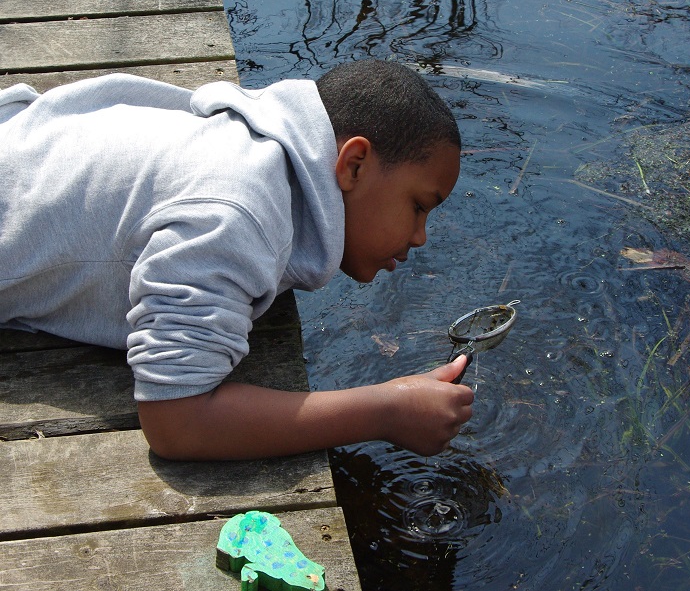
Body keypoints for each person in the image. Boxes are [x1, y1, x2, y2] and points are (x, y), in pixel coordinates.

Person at [0, 59, 473, 461]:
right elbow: (176, 421)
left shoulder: (258, 143)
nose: (420, 237)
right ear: (353, 165)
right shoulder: (237, 214)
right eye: (418, 206)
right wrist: (386, 410)